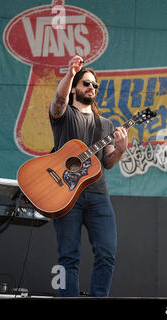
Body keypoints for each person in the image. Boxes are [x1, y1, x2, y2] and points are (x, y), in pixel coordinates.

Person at [49, 55, 128, 297]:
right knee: (68, 256)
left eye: (95, 85)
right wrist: (71, 73)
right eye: (86, 83)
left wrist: (121, 149)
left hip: (97, 196)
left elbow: (108, 162)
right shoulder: (63, 115)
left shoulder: (104, 124)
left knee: (107, 252)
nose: (91, 87)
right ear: (75, 88)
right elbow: (59, 100)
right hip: (65, 195)